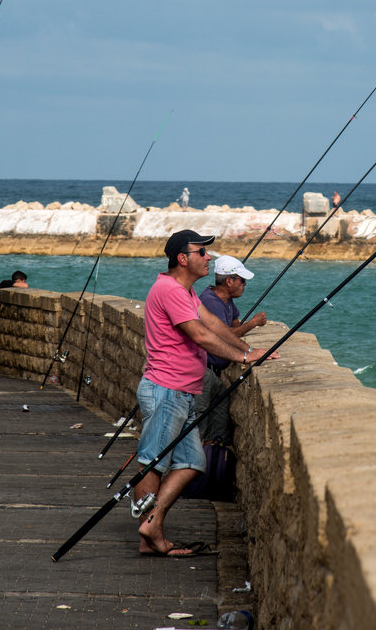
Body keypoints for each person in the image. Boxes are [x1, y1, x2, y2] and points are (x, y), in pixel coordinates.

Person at [133, 230, 276, 557]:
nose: (208, 258)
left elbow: (213, 323)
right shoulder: (169, 290)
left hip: (181, 391)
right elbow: (199, 334)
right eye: (201, 252)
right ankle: (149, 530)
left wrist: (249, 348)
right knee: (152, 464)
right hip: (166, 390)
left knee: (191, 462)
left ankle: (151, 526)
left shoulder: (185, 291)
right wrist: (241, 358)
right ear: (183, 259)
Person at [195, 255, 268, 445]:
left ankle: (212, 458)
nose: (245, 284)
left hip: (216, 373)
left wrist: (243, 328)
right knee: (198, 423)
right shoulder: (210, 301)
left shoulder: (227, 300)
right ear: (229, 281)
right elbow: (225, 334)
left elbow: (234, 326)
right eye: (242, 280)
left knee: (220, 416)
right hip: (203, 370)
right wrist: (253, 324)